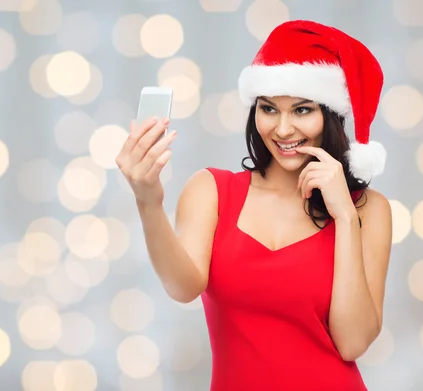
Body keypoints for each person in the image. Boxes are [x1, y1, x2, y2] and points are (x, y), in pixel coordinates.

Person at [116, 20, 392, 391]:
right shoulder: (212, 190)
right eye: (269, 109)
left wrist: (344, 214)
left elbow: (353, 342)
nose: (282, 129)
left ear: (330, 114)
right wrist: (148, 200)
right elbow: (182, 287)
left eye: (301, 110)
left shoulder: (368, 210)